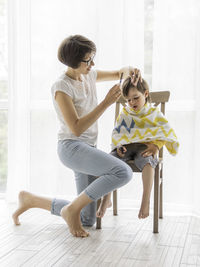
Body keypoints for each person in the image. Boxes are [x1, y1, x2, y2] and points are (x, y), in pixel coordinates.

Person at [12, 35, 142, 238]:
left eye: (93, 58)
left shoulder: (88, 75)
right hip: (71, 148)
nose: (92, 64)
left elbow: (121, 71)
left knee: (87, 219)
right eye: (88, 60)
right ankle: (71, 209)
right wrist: (106, 103)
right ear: (73, 62)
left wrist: (131, 72)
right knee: (123, 172)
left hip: (87, 149)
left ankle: (31, 200)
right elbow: (76, 128)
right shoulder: (61, 87)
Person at [101, 75, 179, 220]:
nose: (132, 103)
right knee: (110, 161)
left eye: (136, 98)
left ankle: (145, 200)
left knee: (148, 162)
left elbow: (165, 132)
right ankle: (107, 198)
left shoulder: (154, 113)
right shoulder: (126, 113)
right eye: (128, 100)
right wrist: (119, 147)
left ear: (146, 94)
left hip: (145, 148)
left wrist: (156, 147)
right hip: (126, 148)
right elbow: (119, 133)